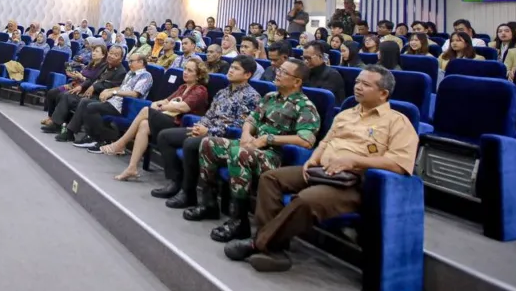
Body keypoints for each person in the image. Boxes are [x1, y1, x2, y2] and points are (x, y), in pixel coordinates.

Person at [224, 65, 418, 272]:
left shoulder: (397, 122)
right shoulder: (346, 114)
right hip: (322, 170)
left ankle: (259, 243)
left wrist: (355, 161)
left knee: (307, 199)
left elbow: (399, 163)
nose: (358, 87)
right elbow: (325, 142)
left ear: (383, 93)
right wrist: (313, 159)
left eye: (366, 84)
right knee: (271, 178)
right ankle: (275, 249)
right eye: (357, 82)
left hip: (352, 182)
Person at [193, 57, 320, 242]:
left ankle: (239, 220)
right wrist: (246, 134)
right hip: (253, 146)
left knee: (240, 153)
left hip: (273, 155)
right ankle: (209, 204)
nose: (278, 73)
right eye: (279, 70)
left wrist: (267, 139)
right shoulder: (270, 97)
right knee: (208, 143)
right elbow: (251, 120)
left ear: (297, 81)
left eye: (284, 72)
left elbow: (306, 140)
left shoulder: (304, 106)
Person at [152, 57, 261, 210]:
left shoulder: (252, 97)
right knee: (165, 136)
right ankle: (175, 182)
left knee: (190, 144)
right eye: (231, 67)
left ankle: (188, 193)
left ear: (247, 75)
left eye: (236, 68)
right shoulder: (223, 92)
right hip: (206, 130)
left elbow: (240, 126)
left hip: (225, 137)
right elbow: (209, 115)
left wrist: (208, 131)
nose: (230, 70)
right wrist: (200, 126)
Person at [105, 58, 211, 179]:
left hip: (181, 125)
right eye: (185, 69)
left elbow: (183, 107)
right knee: (144, 124)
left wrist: (161, 107)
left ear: (198, 75)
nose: (185, 72)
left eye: (190, 70)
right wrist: (157, 104)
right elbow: (166, 100)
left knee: (146, 111)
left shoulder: (200, 90)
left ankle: (121, 143)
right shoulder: (183, 87)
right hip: (169, 118)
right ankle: (132, 168)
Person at [78, 53, 154, 151]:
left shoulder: (146, 76)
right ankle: (92, 137)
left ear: (140, 62)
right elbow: (122, 87)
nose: (129, 63)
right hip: (115, 101)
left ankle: (103, 140)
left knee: (92, 107)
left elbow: (135, 94)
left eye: (131, 61)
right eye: (129, 61)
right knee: (86, 103)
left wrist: (113, 93)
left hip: (126, 106)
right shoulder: (130, 73)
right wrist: (108, 90)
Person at [51, 46, 128, 142]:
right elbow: (92, 79)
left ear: (121, 59)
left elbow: (109, 86)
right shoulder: (104, 65)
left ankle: (70, 132)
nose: (111, 56)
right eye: (111, 53)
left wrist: (94, 87)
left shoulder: (121, 72)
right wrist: (82, 86)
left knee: (84, 101)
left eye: (115, 55)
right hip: (88, 93)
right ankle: (56, 124)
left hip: (100, 98)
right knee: (67, 95)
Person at [42, 43, 105, 128]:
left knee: (61, 95)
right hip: (75, 84)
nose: (93, 53)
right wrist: (73, 76)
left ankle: (56, 121)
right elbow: (82, 75)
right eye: (93, 51)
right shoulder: (90, 64)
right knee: (52, 93)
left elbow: (92, 81)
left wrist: (81, 77)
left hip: (83, 89)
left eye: (97, 51)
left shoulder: (102, 67)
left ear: (103, 55)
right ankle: (50, 117)